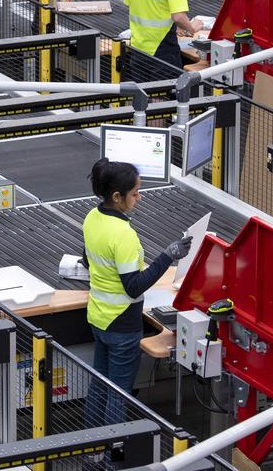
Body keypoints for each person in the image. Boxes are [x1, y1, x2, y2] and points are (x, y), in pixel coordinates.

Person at [82, 158, 192, 427]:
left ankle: (91, 451)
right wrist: (168, 256)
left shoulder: (92, 217)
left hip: (99, 317)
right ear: (117, 197)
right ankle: (113, 455)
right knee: (119, 395)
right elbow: (133, 288)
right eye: (134, 193)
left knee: (99, 386)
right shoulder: (123, 235)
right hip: (122, 324)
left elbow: (88, 260)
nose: (139, 198)